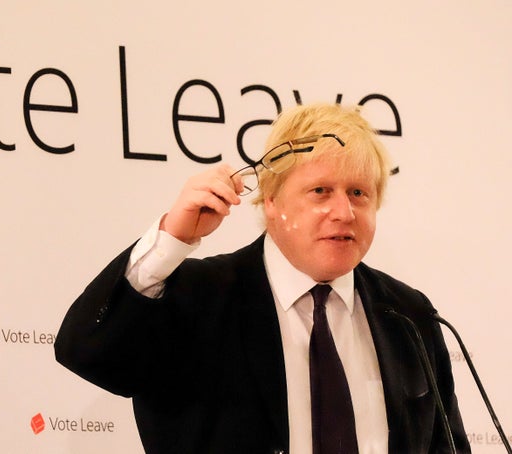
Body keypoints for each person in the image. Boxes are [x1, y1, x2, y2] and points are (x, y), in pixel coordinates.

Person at [55, 103, 469, 453]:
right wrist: (172, 240)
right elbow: (85, 350)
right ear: (270, 200)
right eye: (321, 191)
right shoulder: (198, 298)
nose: (344, 212)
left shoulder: (407, 313)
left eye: (359, 193)